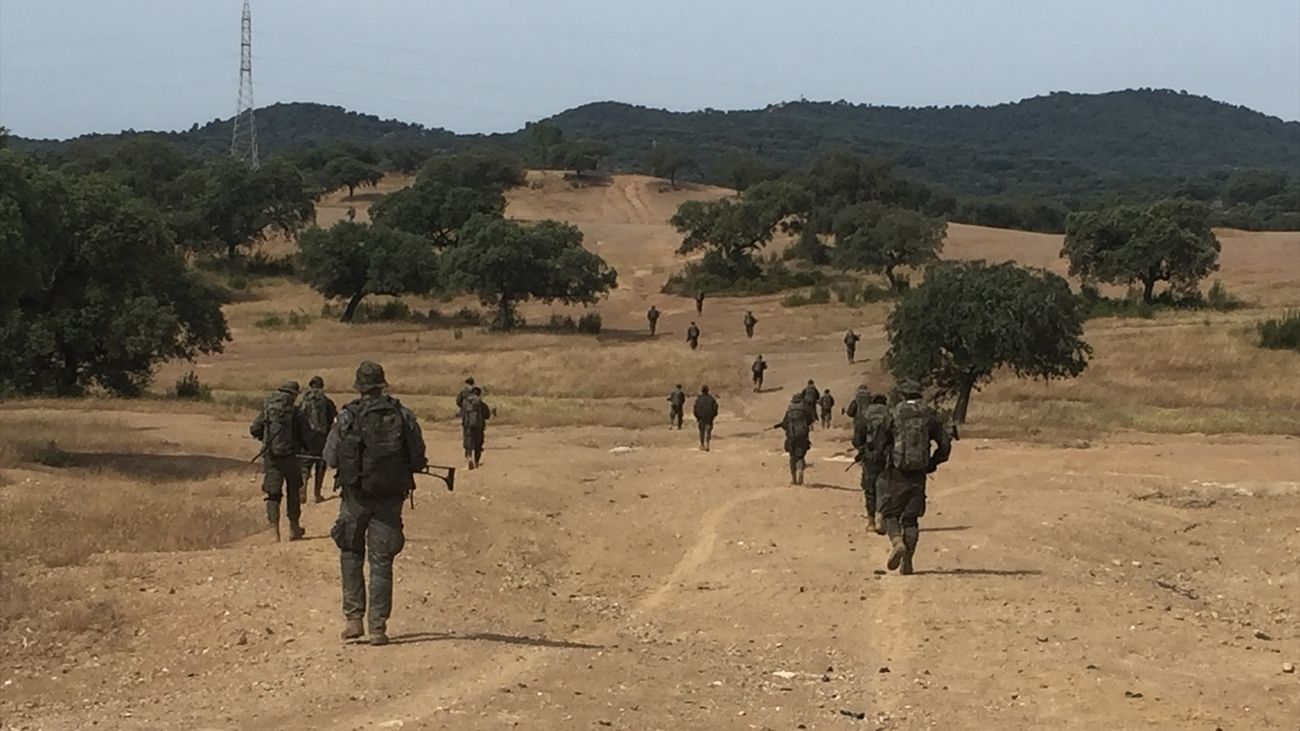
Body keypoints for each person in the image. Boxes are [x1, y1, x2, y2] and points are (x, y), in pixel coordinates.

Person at [324, 361, 427, 646]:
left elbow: (330, 457)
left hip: (355, 497)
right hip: (390, 498)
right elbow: (418, 456)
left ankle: (353, 619)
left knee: (350, 552)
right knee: (381, 561)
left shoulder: (347, 417)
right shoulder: (402, 414)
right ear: (382, 385)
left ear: (359, 387)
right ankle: (378, 628)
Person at [875, 379, 952, 575]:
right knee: (911, 519)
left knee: (891, 513)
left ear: (902, 394)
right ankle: (908, 560)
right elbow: (944, 444)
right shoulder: (929, 414)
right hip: (919, 472)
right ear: (920, 394)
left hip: (897, 471)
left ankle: (897, 542)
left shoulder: (894, 412)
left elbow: (880, 441)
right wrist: (932, 463)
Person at [250, 381, 307, 542]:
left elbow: (254, 428)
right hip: (290, 456)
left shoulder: (268, 409)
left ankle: (273, 531)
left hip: (271, 456)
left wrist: (266, 439)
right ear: (294, 395)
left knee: (273, 493)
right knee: (293, 491)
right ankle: (294, 528)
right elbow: (304, 433)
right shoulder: (295, 412)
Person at [298, 376, 339, 504]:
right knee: (320, 465)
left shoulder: (303, 401)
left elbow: (298, 417)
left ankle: (303, 490)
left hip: (306, 438)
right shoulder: (327, 401)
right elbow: (334, 418)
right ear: (322, 386)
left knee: (305, 466)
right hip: (322, 438)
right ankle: (317, 494)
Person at [856, 394, 890, 534]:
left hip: (870, 457)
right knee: (887, 487)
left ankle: (870, 521)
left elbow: (857, 438)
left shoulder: (865, 414)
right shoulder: (891, 413)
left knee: (870, 489)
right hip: (888, 456)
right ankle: (882, 516)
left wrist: (862, 450)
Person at [778, 393, 812, 485]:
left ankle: (793, 478)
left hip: (791, 436)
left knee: (792, 456)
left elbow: (785, 424)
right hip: (802, 436)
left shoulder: (789, 410)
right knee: (800, 456)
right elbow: (810, 420)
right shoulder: (804, 409)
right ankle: (800, 469)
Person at [461, 386, 491, 469]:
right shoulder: (481, 403)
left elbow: (461, 413)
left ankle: (468, 460)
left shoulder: (465, 402)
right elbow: (487, 415)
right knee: (478, 446)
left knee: (468, 445)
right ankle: (476, 463)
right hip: (479, 426)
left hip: (467, 426)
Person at [692, 385, 719, 451]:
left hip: (701, 418)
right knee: (708, 432)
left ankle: (702, 445)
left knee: (701, 432)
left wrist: (697, 417)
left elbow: (695, 409)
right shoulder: (711, 399)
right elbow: (715, 408)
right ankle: (707, 444)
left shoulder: (698, 399)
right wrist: (713, 416)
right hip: (709, 418)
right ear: (708, 390)